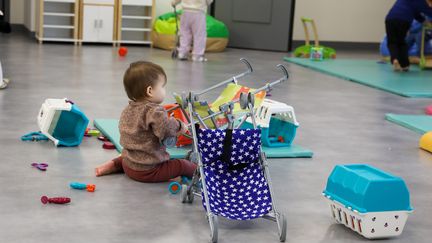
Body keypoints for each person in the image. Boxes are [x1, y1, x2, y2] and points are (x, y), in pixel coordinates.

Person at [95, 61, 196, 182]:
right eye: (162, 86)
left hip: (129, 165)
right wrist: (180, 126)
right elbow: (165, 129)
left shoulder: (128, 109)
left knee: (126, 156)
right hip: (149, 171)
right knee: (182, 165)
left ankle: (112, 165)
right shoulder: (154, 111)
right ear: (150, 91)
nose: (164, 90)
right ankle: (203, 175)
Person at [385, 0, 432, 71]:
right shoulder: (420, 2)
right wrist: (426, 22)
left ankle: (395, 59)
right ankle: (405, 65)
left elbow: (415, 13)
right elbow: (428, 11)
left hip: (390, 19)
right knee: (401, 42)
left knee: (392, 42)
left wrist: (423, 21)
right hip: (404, 21)